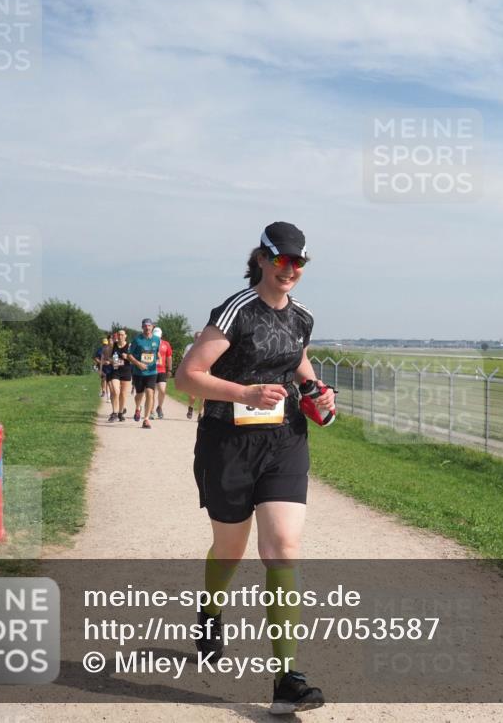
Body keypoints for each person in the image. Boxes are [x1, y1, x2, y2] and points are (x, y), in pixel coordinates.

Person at [175, 221, 335, 714]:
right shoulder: (236, 311)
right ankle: (210, 611)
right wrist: (244, 392)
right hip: (228, 444)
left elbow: (297, 363)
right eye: (282, 259)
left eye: (299, 262)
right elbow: (188, 377)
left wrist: (317, 393)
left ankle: (286, 678)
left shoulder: (302, 318)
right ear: (262, 259)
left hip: (284, 441)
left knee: (282, 545)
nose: (290, 269)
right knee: (230, 546)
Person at [128, 318, 161, 429]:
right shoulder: (137, 340)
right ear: (142, 327)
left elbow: (156, 353)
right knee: (139, 395)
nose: (147, 328)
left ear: (152, 327)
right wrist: (138, 364)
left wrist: (157, 360)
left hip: (152, 372)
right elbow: (129, 355)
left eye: (149, 326)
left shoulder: (157, 340)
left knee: (150, 393)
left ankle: (146, 419)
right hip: (139, 372)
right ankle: (138, 408)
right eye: (145, 326)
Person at [107, 330, 132, 422]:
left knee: (123, 394)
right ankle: (114, 413)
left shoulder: (129, 346)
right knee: (116, 391)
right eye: (119, 335)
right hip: (116, 371)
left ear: (125, 336)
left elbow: (135, 358)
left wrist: (128, 357)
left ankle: (121, 413)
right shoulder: (113, 345)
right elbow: (108, 357)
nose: (120, 336)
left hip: (126, 371)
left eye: (122, 335)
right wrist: (112, 360)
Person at [183, 331, 205, 420]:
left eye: (200, 337)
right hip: (192, 373)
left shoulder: (206, 347)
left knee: (203, 396)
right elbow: (184, 359)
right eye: (197, 337)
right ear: (194, 338)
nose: (198, 339)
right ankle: (191, 407)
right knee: (192, 395)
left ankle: (200, 414)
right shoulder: (189, 347)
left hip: (204, 373)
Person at [152, 326, 173, 420]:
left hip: (162, 370)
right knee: (151, 392)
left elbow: (169, 357)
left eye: (158, 336)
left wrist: (170, 369)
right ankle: (151, 410)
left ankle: (159, 407)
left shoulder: (166, 344)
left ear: (161, 336)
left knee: (162, 390)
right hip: (151, 370)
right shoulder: (149, 343)